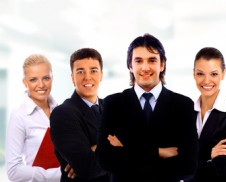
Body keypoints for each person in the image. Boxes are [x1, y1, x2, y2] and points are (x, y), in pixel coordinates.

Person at [96, 33, 199, 182]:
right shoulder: (113, 104)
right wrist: (159, 152)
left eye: (152, 60)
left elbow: (188, 167)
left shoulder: (183, 105)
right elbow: (105, 159)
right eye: (138, 61)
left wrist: (126, 150)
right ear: (130, 66)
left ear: (162, 65)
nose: (145, 67)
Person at [185, 47, 226, 182]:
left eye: (213, 74)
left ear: (223, 74)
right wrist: (209, 155)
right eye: (201, 74)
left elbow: (223, 166)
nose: (207, 81)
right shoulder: (186, 112)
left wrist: (192, 159)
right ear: (194, 74)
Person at [50, 48, 110, 182]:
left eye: (93, 70)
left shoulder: (112, 109)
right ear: (72, 77)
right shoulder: (62, 113)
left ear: (101, 75)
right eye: (80, 71)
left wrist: (96, 148)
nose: (87, 77)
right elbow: (87, 167)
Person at [5, 54, 61, 182]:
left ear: (52, 78)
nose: (41, 85)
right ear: (25, 82)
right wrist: (57, 174)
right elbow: (13, 170)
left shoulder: (61, 111)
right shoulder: (19, 116)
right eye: (33, 79)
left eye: (46, 78)